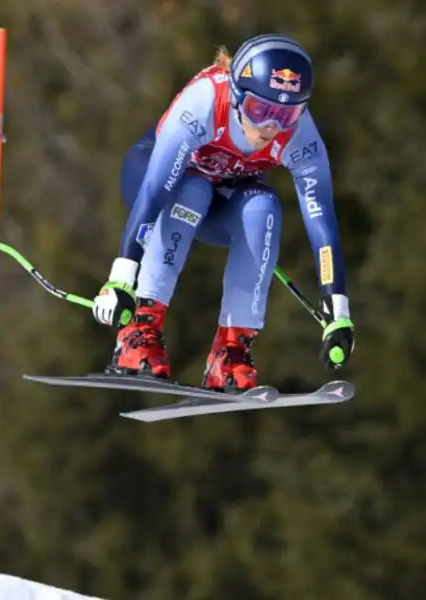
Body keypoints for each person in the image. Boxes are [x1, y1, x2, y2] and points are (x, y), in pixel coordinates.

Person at [91, 34, 354, 390]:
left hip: (219, 203)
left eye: (286, 115)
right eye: (261, 110)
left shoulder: (300, 135)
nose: (270, 128)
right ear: (237, 95)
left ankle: (230, 350)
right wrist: (120, 278)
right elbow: (154, 191)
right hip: (158, 184)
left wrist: (338, 312)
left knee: (264, 207)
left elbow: (321, 219)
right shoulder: (205, 101)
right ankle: (140, 329)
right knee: (192, 189)